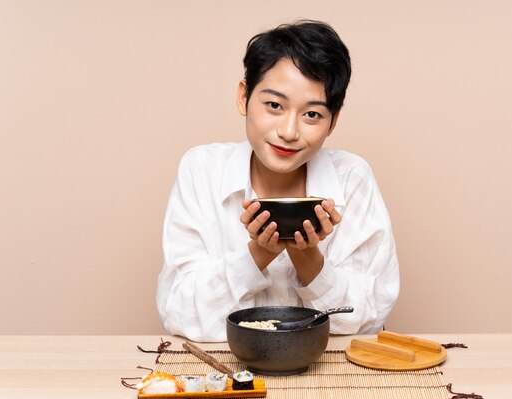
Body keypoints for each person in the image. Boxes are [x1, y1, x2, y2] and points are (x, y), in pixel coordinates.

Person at [157, 20, 399, 342]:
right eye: (274, 105)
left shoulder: (352, 178)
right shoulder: (202, 169)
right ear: (244, 97)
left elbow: (371, 315)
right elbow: (179, 312)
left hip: (329, 378)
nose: (289, 131)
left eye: (312, 114)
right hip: (229, 376)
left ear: (333, 122)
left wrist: (308, 258)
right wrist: (258, 254)